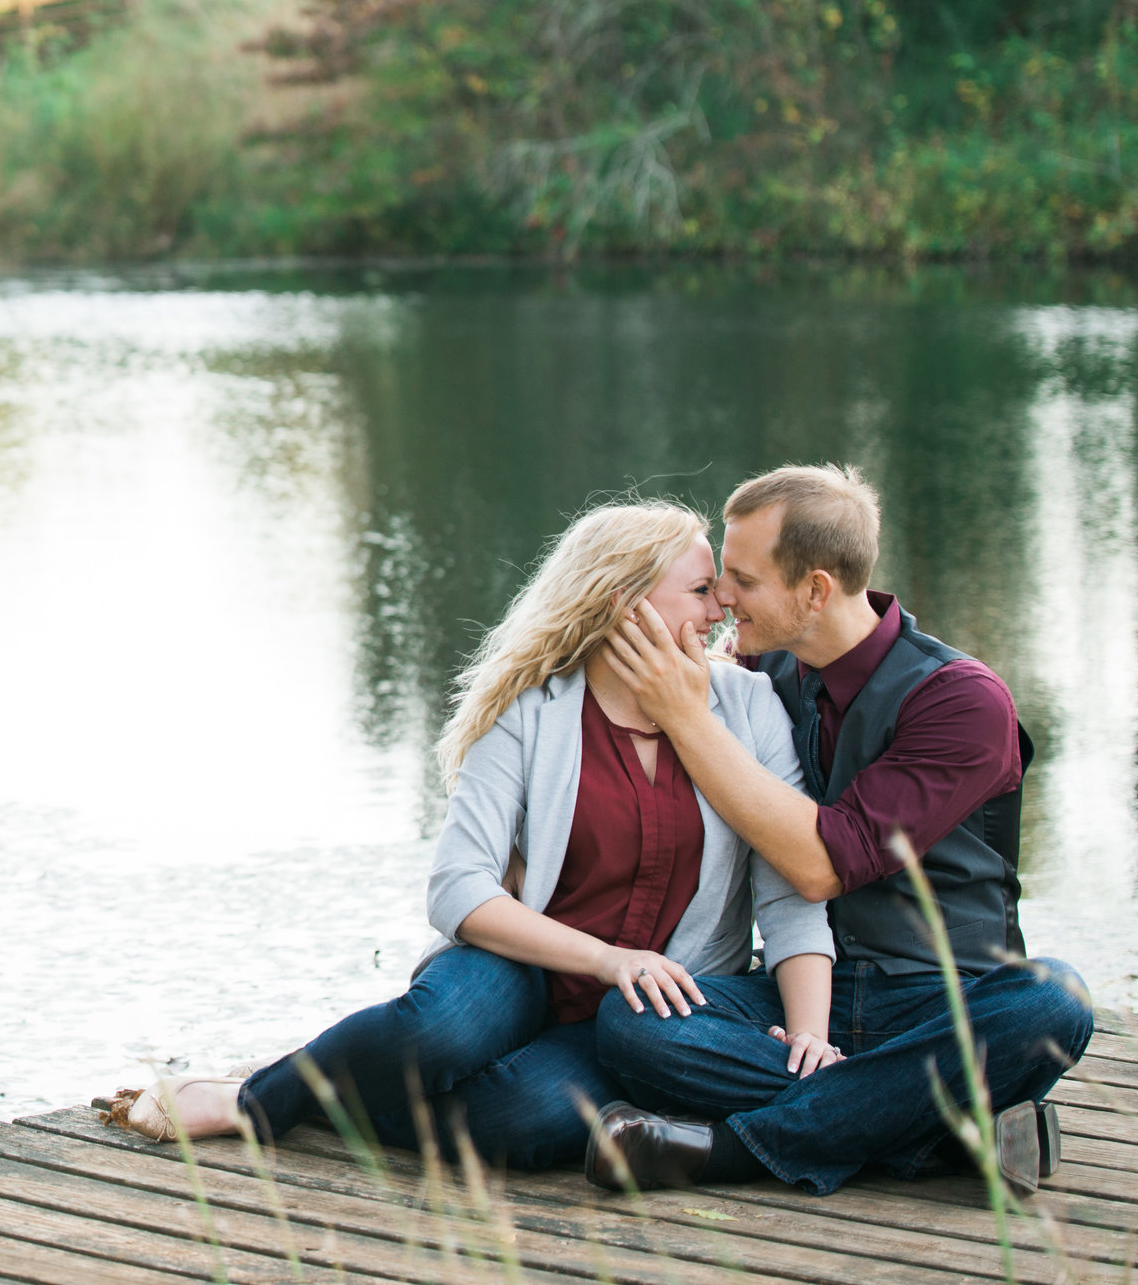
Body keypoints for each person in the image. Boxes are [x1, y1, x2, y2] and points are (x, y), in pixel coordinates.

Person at [104, 501, 835, 1169]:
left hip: (641, 1018)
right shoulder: (533, 710)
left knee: (526, 1121)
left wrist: (809, 1033)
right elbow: (459, 888)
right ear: (627, 604)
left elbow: (789, 893)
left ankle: (333, 1078)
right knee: (441, 1032)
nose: (722, 609)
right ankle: (255, 1101)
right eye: (702, 590)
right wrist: (607, 958)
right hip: (519, 967)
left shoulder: (750, 708)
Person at [590, 464, 1093, 1197]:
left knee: (1054, 1002)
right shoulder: (767, 676)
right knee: (634, 1021)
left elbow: (825, 865)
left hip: (943, 1002)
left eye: (744, 580)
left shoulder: (961, 701)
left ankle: (731, 1150)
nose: (723, 599)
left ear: (816, 589)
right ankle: (933, 1128)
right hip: (802, 998)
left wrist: (687, 717)